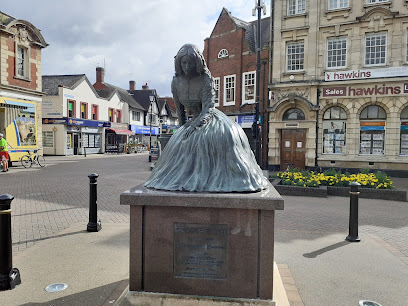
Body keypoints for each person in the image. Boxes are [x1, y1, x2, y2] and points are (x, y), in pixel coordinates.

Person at [144, 44, 268, 192]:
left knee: (222, 139)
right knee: (180, 145)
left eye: (190, 62)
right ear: (179, 63)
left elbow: (208, 108)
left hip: (209, 118)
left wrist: (194, 126)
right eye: (184, 63)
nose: (187, 66)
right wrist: (182, 130)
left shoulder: (206, 79)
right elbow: (180, 110)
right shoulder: (176, 82)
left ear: (197, 62)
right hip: (191, 121)